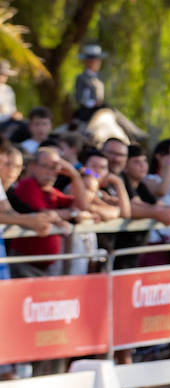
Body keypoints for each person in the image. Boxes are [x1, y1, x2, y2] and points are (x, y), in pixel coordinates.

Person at [5, 147, 91, 277]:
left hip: (44, 266)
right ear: (33, 166)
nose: (50, 172)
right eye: (46, 166)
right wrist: (71, 214)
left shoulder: (51, 191)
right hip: (25, 263)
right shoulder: (28, 185)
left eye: (55, 167)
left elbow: (82, 206)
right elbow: (43, 214)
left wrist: (75, 175)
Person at [72, 43, 107, 123]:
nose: (98, 63)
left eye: (99, 60)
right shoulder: (81, 78)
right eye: (95, 61)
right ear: (88, 62)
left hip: (100, 108)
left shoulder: (99, 78)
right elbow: (79, 97)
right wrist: (93, 103)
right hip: (87, 110)